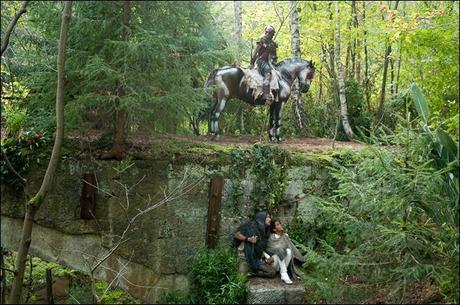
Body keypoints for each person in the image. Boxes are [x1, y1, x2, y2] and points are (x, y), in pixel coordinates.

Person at [233, 210, 276, 278]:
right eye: (267, 217)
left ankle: (252, 272)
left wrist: (267, 257)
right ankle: (249, 269)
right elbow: (236, 235)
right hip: (246, 257)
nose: (270, 219)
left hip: (257, 259)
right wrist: (248, 239)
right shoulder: (249, 226)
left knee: (272, 272)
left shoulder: (266, 231)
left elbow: (261, 247)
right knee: (241, 278)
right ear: (261, 218)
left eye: (270, 217)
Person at [265, 219, 305, 284]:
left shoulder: (285, 236)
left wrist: (301, 259)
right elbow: (267, 249)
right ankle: (284, 274)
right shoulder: (271, 237)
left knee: (288, 251)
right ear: (274, 229)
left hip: (283, 264)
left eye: (280, 223)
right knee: (279, 250)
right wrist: (268, 257)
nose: (280, 225)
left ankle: (283, 272)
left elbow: (292, 248)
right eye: (278, 224)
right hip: (274, 263)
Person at [249, 25, 278, 102]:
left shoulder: (273, 44)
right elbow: (255, 52)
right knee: (268, 72)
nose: (268, 34)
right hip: (261, 61)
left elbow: (275, 56)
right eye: (267, 32)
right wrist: (252, 63)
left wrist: (274, 63)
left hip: (271, 63)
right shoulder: (261, 40)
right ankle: (265, 94)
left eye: (271, 33)